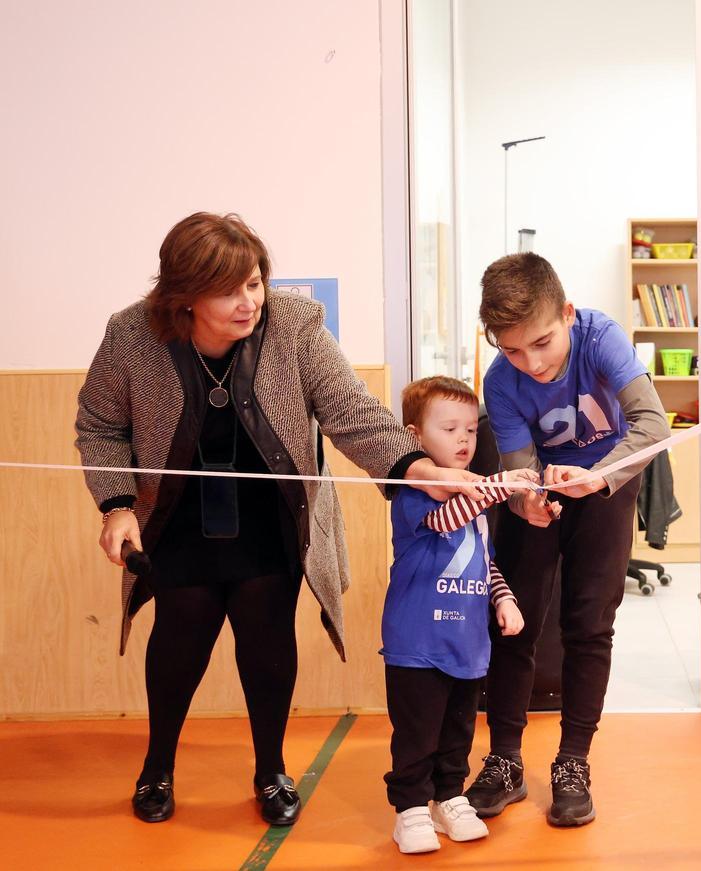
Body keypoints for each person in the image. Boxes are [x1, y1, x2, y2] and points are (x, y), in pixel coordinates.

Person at [75, 212, 480, 826]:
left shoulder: (294, 324)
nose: (249, 301)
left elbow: (350, 411)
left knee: (267, 640)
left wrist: (417, 467)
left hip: (273, 519)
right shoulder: (132, 334)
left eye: (255, 283)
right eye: (229, 290)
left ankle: (270, 770)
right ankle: (157, 766)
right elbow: (101, 427)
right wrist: (117, 506)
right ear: (183, 297)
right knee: (180, 638)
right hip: (177, 520)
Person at [463, 252, 670, 827]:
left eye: (543, 343)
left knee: (589, 625)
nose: (529, 363)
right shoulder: (501, 382)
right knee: (513, 622)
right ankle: (505, 759)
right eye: (511, 349)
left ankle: (572, 761)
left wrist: (597, 476)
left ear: (569, 315)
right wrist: (525, 501)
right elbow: (520, 468)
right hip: (548, 497)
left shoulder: (602, 338)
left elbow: (654, 427)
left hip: (607, 483)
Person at [382, 376, 536, 854]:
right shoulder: (413, 495)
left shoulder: (476, 506)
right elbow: (445, 521)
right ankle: (410, 809)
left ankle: (449, 796)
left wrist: (504, 599)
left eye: (470, 430)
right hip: (417, 645)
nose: (464, 440)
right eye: (449, 429)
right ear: (416, 438)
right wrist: (500, 485)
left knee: (457, 734)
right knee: (417, 734)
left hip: (467, 647)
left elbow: (482, 560)